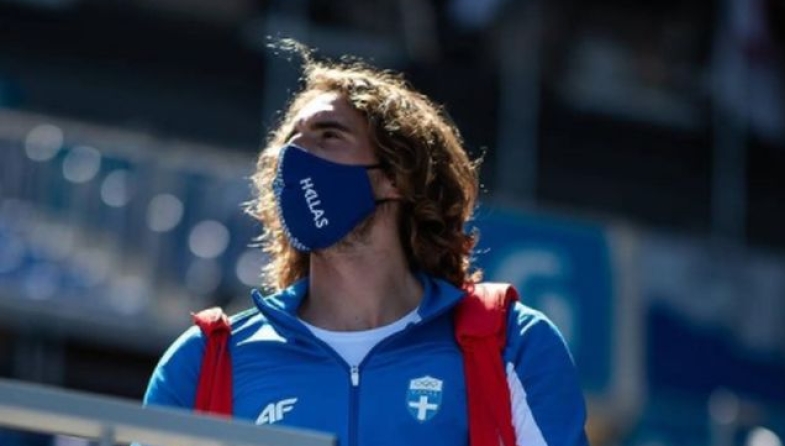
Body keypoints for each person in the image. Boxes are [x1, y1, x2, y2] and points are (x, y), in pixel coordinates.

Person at [143, 43, 589, 446]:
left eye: (328, 135)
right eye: (289, 145)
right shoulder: (204, 361)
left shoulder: (509, 342)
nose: (296, 159)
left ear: (397, 176)